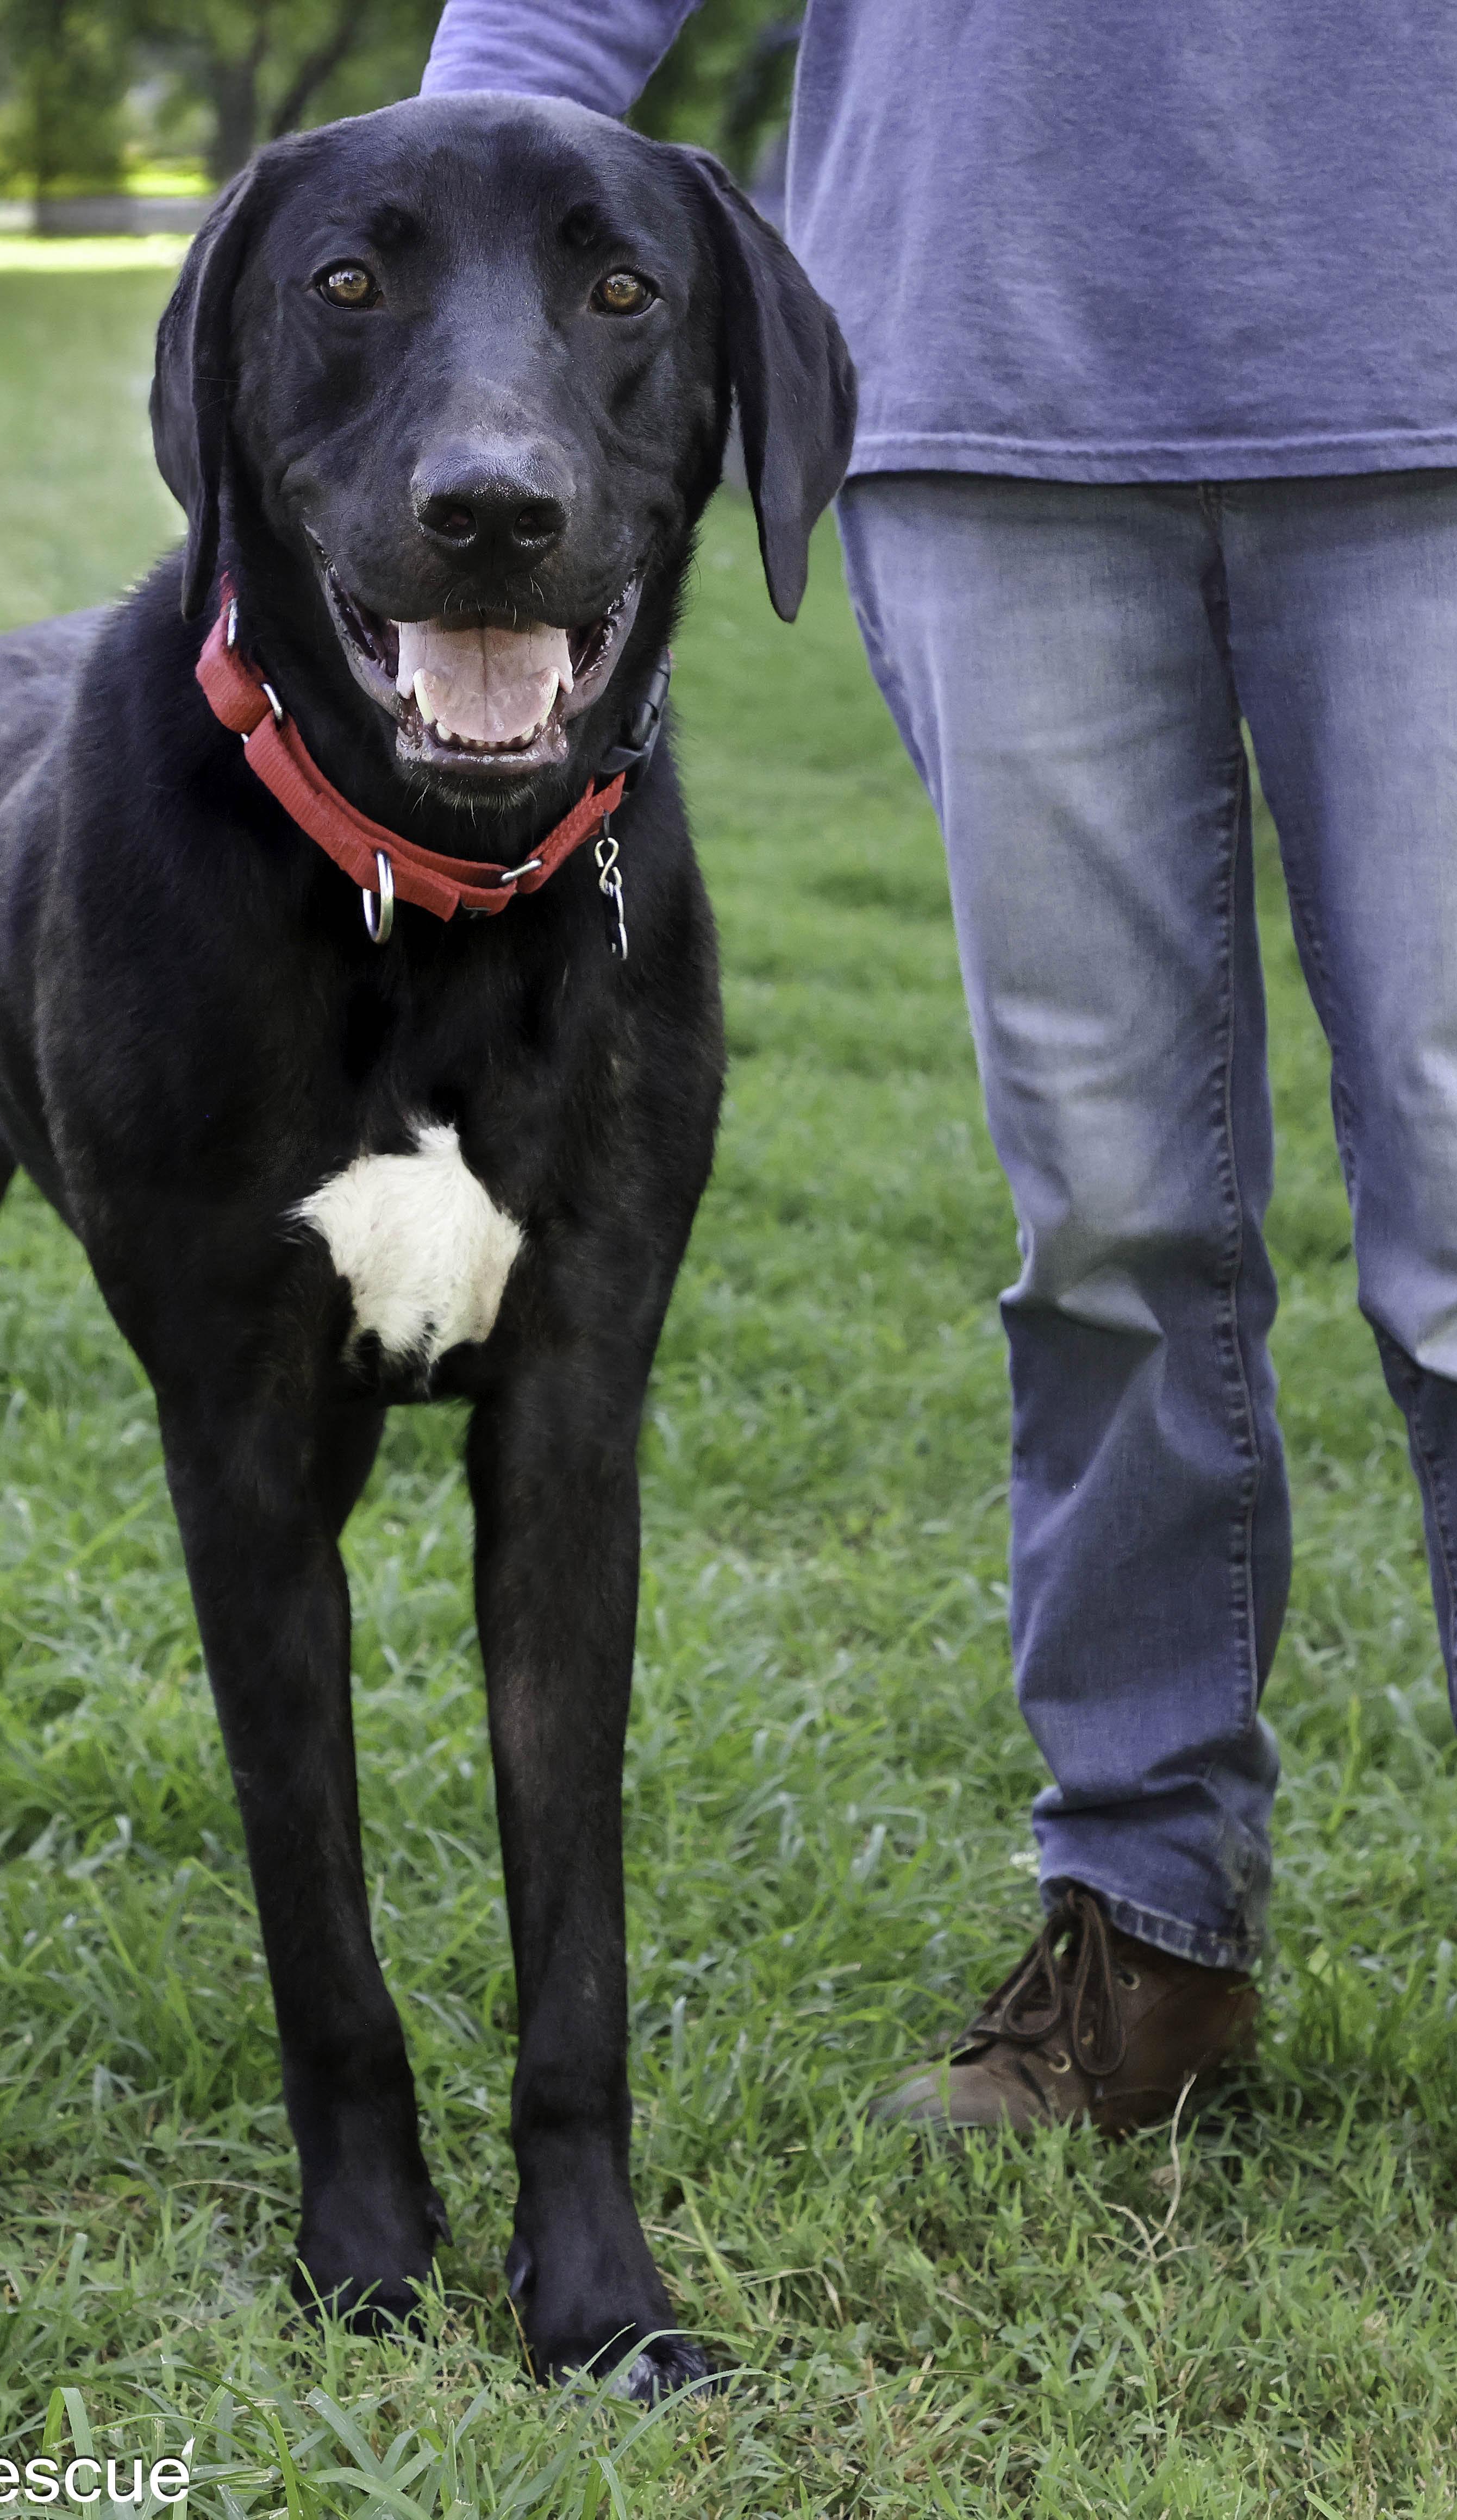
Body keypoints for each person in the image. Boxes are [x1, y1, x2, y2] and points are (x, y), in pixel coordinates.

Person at [421, 0, 1457, 2132]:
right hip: (987, 379)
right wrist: (440, 265)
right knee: (1113, 1217)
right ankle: (1152, 1932)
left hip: (1431, 362)